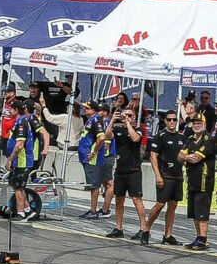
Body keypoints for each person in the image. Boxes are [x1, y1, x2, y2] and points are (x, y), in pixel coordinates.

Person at [142, 110, 185, 246]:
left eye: (174, 120)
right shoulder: (160, 136)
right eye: (169, 120)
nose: (172, 122)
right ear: (165, 121)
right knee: (160, 204)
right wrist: (158, 175)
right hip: (165, 175)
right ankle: (146, 229)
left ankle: (168, 235)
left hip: (177, 176)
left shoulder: (181, 137)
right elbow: (153, 156)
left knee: (173, 205)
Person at [105, 106, 147, 240]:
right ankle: (118, 228)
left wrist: (128, 123)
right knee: (119, 200)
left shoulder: (139, 129)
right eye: (125, 115)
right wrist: (112, 120)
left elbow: (135, 139)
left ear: (134, 117)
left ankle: (143, 228)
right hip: (120, 169)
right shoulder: (118, 129)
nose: (127, 117)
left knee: (136, 199)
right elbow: (107, 135)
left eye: (130, 115)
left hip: (134, 170)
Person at [179, 113, 214, 250]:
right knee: (194, 212)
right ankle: (198, 237)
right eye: (194, 123)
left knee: (202, 211)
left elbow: (196, 159)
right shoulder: (190, 139)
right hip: (192, 180)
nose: (196, 125)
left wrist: (186, 157)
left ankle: (203, 239)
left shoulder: (208, 139)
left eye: (199, 123)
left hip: (204, 181)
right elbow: (179, 156)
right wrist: (187, 156)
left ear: (204, 125)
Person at [77, 105, 115, 220]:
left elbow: (102, 138)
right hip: (88, 157)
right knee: (96, 184)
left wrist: (93, 152)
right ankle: (95, 209)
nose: (85, 110)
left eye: (88, 108)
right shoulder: (91, 120)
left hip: (95, 158)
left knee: (95, 185)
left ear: (94, 110)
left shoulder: (97, 120)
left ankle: (95, 210)